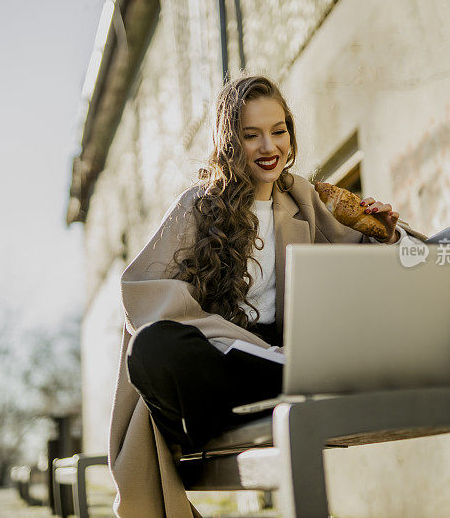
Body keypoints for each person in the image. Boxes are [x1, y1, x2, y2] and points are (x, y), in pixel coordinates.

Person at [108, 75, 405, 517]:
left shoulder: (305, 198)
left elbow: (371, 265)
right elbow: (141, 293)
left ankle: (293, 367)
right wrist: (234, 341)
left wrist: (385, 233)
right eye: (251, 135)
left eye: (278, 130)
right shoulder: (196, 206)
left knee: (306, 354)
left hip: (286, 364)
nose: (269, 147)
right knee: (152, 347)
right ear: (229, 141)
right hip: (220, 367)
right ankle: (268, 378)